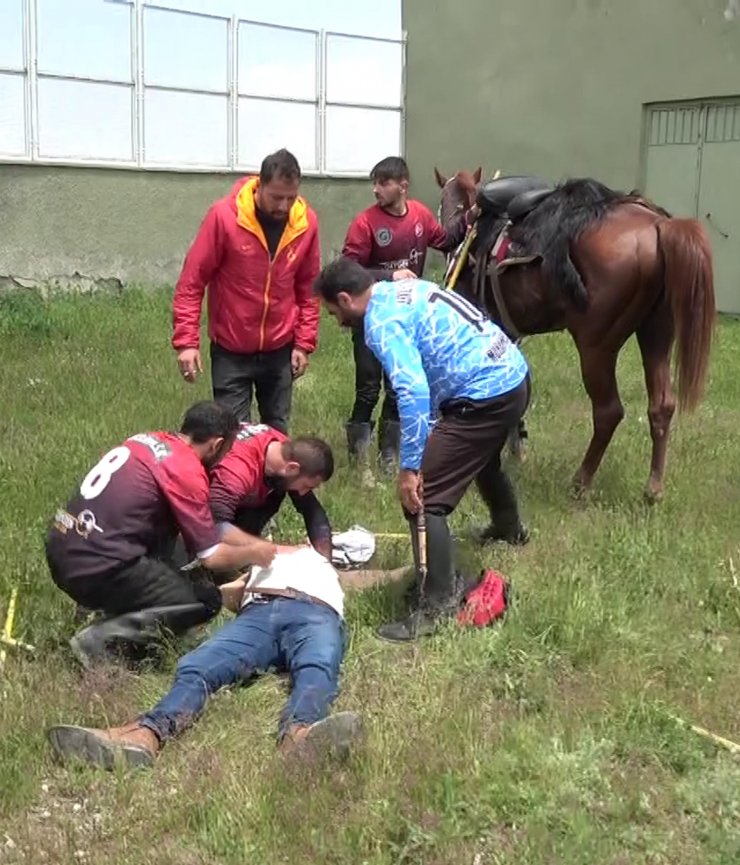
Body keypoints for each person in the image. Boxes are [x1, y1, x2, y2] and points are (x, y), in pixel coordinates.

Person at [313, 257, 530, 642]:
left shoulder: (380, 323)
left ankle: (437, 605)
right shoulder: (404, 290)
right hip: (512, 375)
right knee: (483, 458)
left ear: (345, 299)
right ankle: (508, 528)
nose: (338, 321)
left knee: (423, 497)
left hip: (486, 395)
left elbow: (412, 392)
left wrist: (411, 467)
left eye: (333, 313)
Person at [47, 546, 362, 769]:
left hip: (317, 612)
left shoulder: (325, 565)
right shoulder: (264, 556)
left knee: (317, 666)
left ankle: (300, 737)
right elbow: (227, 594)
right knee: (197, 666)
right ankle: (144, 735)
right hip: (259, 611)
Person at [45, 401, 293, 668]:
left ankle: (101, 607)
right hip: (96, 566)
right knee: (204, 600)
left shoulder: (144, 440)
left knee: (169, 547)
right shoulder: (187, 470)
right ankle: (101, 641)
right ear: (216, 444)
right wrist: (257, 552)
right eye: (227, 450)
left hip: (61, 544)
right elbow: (211, 557)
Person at [172, 148, 321, 434]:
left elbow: (308, 287)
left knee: (276, 435)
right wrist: (186, 342)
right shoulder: (224, 217)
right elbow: (192, 281)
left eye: (291, 198)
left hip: (280, 347)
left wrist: (303, 343)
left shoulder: (305, 223)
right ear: (259, 185)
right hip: (231, 348)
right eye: (276, 197)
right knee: (233, 437)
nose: (283, 206)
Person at [340, 156, 473, 474]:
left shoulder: (420, 215)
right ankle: (359, 462)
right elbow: (348, 270)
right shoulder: (365, 224)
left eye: (383, 183)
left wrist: (471, 217)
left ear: (403, 186)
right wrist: (390, 276)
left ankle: (389, 458)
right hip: (371, 317)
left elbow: (446, 240)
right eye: (374, 183)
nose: (376, 190)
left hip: (407, 318)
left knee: (397, 386)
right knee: (368, 389)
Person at [206, 422, 335, 571]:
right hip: (199, 513)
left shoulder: (283, 450)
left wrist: (325, 565)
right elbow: (213, 526)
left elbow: (312, 511)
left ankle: (243, 554)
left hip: (235, 497)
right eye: (306, 486)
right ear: (292, 468)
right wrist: (272, 549)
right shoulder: (237, 472)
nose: (302, 492)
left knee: (278, 487)